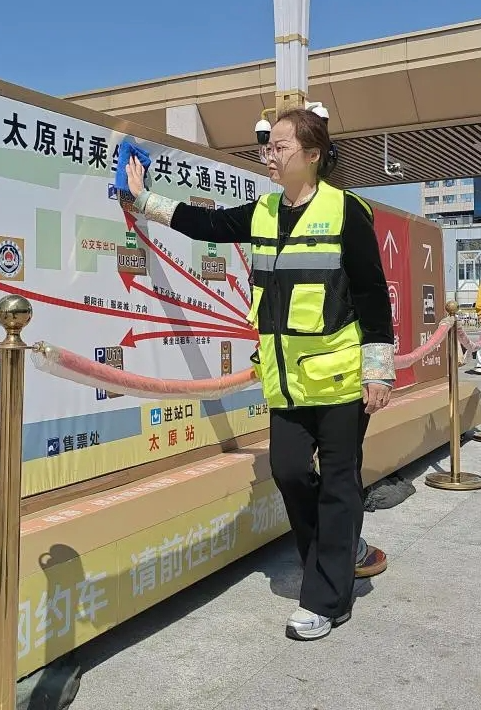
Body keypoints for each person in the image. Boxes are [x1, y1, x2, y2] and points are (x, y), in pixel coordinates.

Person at [124, 108, 395, 641]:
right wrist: (141, 199)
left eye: (280, 146)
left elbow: (370, 293)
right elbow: (206, 224)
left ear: (313, 155)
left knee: (339, 485)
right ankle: (336, 557)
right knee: (290, 472)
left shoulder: (347, 212)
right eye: (268, 147)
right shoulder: (264, 212)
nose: (269, 155)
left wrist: (378, 371)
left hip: (340, 381)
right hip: (286, 383)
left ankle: (326, 598)